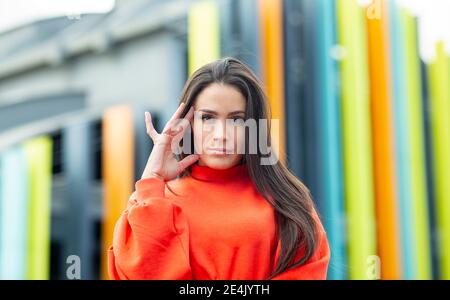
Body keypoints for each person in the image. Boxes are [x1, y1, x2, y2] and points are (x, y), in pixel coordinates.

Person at [107, 57, 330, 280]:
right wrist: (152, 179)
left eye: (237, 120)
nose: (221, 135)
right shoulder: (153, 201)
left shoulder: (288, 202)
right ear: (188, 123)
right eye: (207, 118)